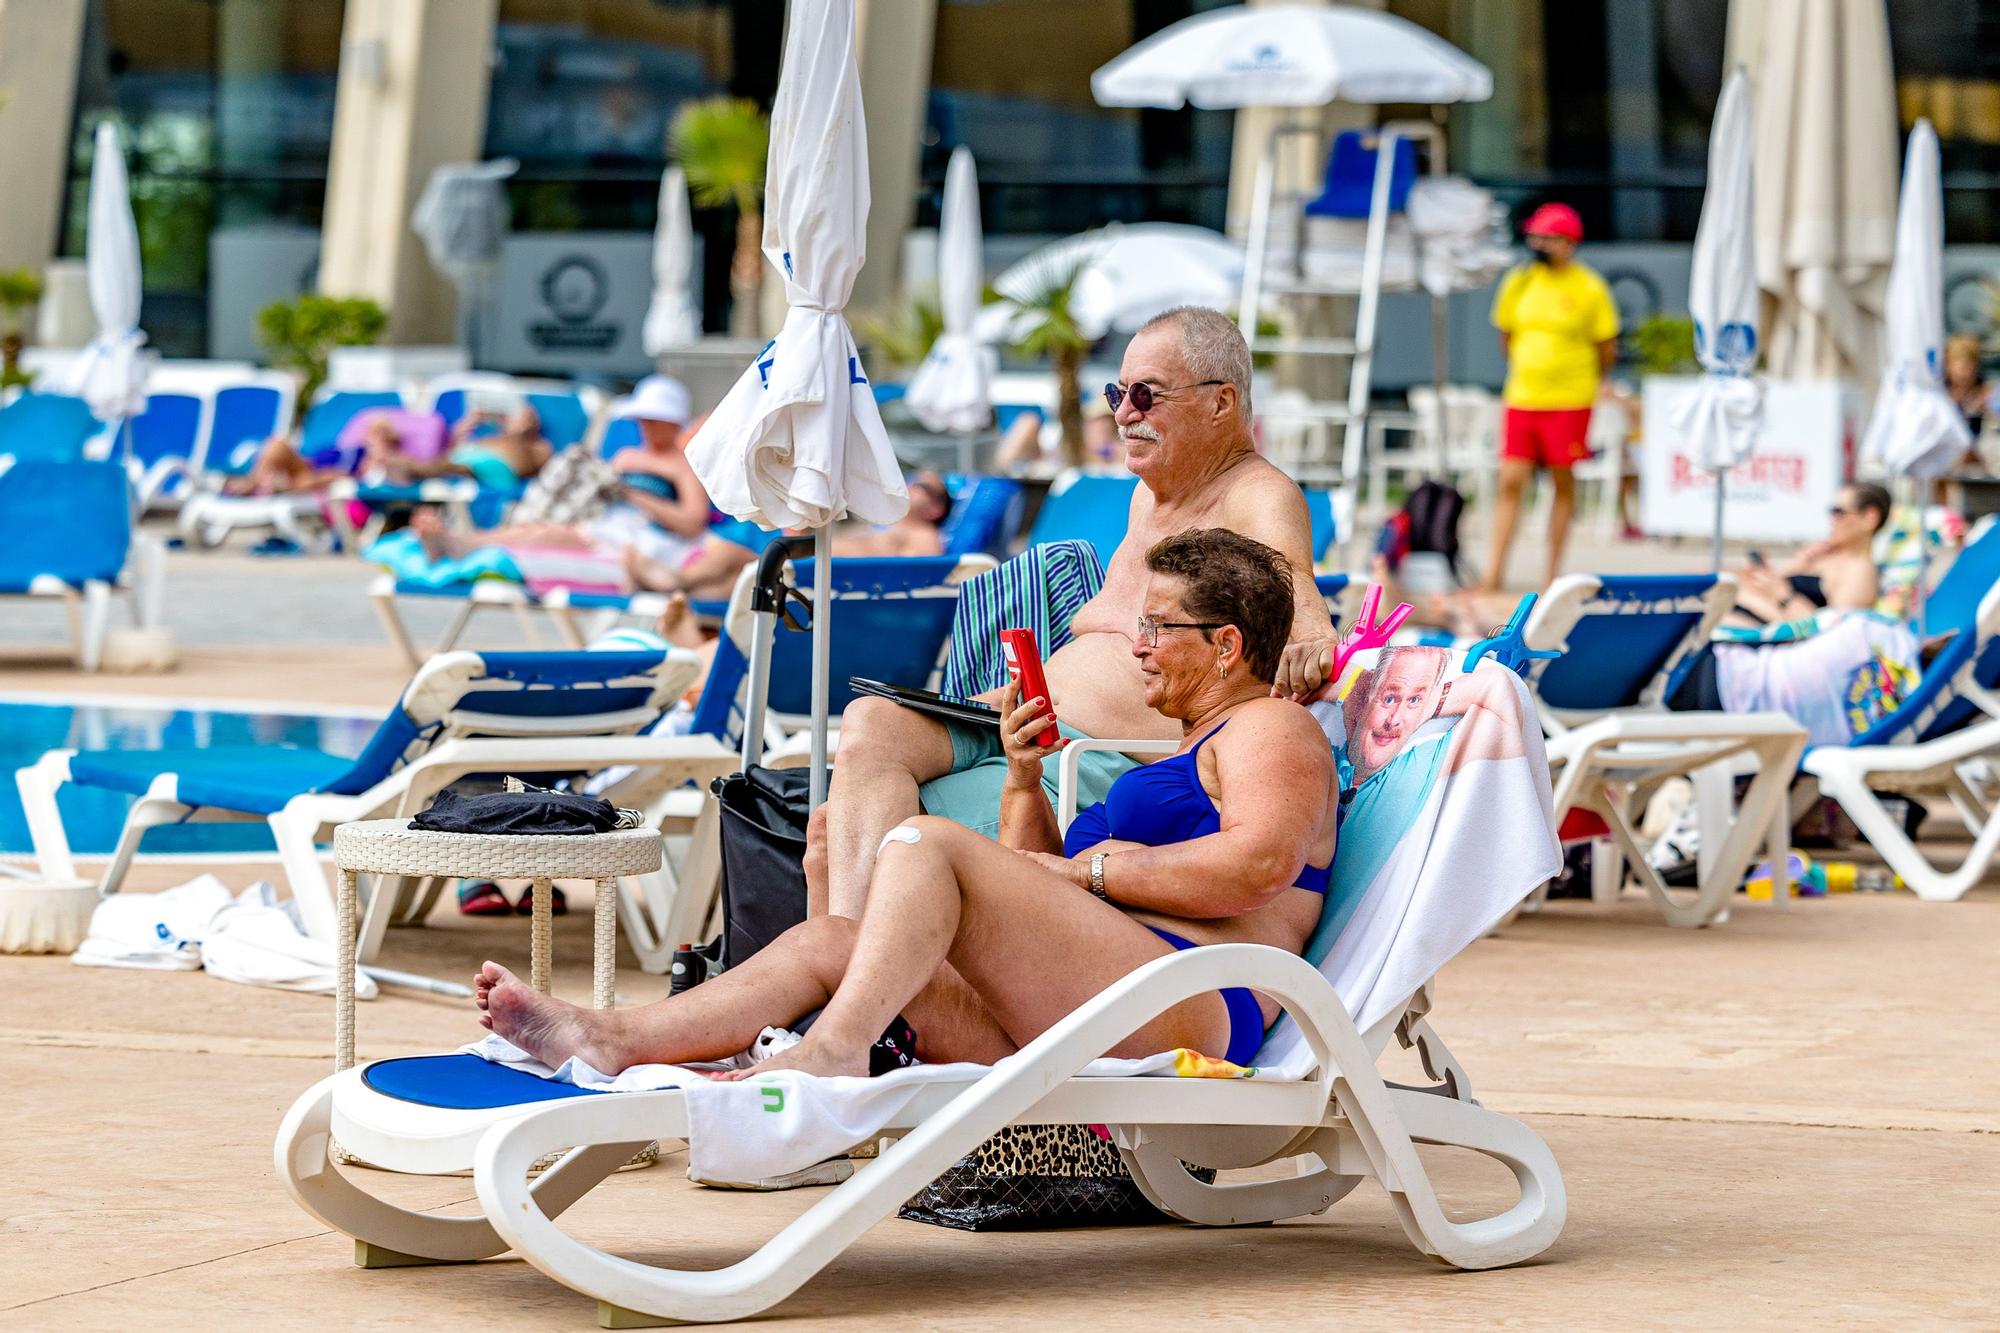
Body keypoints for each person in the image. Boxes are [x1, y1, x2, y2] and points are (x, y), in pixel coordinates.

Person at [472, 528, 1337, 1076]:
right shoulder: (1189, 745)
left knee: (923, 841)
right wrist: (1026, 777)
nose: (1137, 647)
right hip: (1097, 987)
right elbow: (1034, 865)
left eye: (1158, 628)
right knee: (832, 938)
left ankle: (836, 1051)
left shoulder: (1270, 729)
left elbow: (1257, 866)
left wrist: (1087, 873)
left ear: (1226, 646)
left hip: (1190, 1000)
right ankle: (611, 1040)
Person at [809, 305, 1339, 920]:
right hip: (1027, 724)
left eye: (1147, 393)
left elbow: (1291, 579)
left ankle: (849, 971)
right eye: (1118, 392)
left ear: (1222, 403)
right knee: (871, 720)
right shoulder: (1150, 497)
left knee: (832, 839)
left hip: (1090, 757)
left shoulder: (1254, 491)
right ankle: (847, 964)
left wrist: (1312, 629)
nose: (1124, 411)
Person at [1478, 202, 1620, 593]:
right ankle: (1494, 573)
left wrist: (1587, 380)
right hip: (1524, 397)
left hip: (1570, 400)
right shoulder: (1519, 281)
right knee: (1511, 479)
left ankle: (1551, 574)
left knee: (1562, 482)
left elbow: (1606, 345)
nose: (1537, 243)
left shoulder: (1589, 286)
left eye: (1546, 237)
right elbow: (1506, 334)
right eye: (1534, 235)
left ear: (1568, 242)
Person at [1729, 481, 1889, 625]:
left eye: (1839, 512)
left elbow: (1836, 634)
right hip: (1733, 622)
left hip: (1750, 637)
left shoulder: (1859, 570)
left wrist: (1783, 593)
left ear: (1870, 517)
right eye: (1831, 512)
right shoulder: (1820, 556)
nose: (1831, 519)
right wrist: (1797, 564)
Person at [374, 402, 550, 489]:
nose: (523, 420)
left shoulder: (538, 445)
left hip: (493, 470)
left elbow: (535, 467)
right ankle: (409, 469)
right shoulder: (494, 437)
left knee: (454, 466)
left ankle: (411, 470)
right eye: (519, 415)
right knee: (448, 462)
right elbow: (452, 447)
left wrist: (518, 435)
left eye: (528, 417)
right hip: (464, 460)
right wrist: (468, 424)